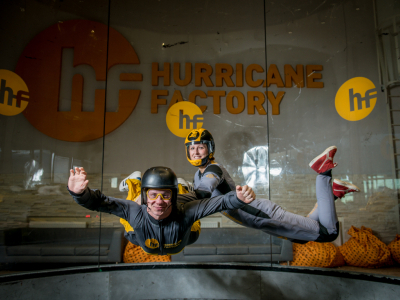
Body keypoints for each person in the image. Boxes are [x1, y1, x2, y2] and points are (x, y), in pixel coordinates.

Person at [183, 128, 360, 243]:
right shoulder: (198, 175)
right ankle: (334, 192)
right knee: (301, 239)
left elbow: (203, 194)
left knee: (329, 233)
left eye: (200, 147)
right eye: (192, 148)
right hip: (258, 221)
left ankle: (324, 173)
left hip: (263, 215)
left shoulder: (213, 169)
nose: (196, 152)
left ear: (209, 148)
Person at [68, 166, 256, 255]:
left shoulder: (187, 211)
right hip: (140, 235)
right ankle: (135, 183)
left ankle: (182, 188)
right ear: (146, 196)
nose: (159, 202)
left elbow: (220, 203)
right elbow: (99, 203)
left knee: (198, 198)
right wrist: (80, 193)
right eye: (153, 195)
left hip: (187, 233)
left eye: (165, 196)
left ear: (172, 197)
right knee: (129, 219)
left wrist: (237, 198)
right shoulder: (136, 211)